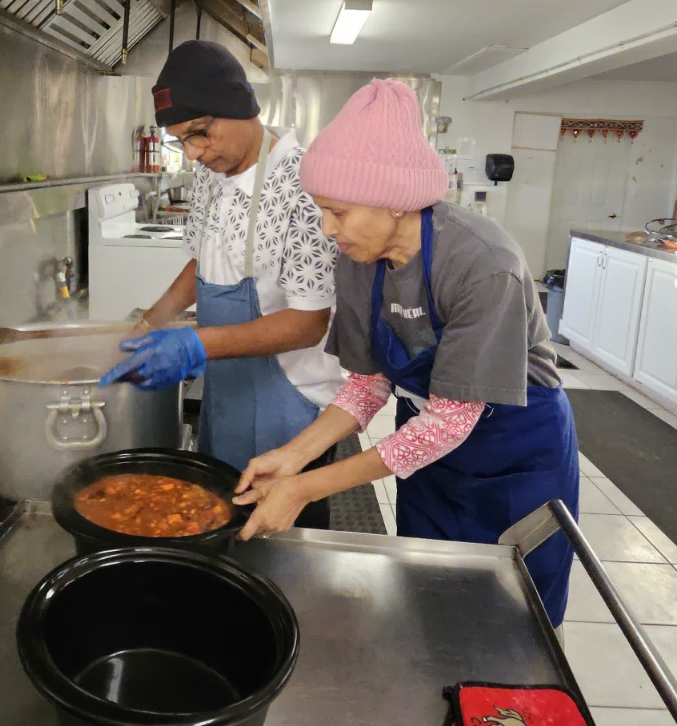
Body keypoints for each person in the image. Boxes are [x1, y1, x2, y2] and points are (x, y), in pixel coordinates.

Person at [231, 79, 579, 623]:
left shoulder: (483, 264)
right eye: (322, 210)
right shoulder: (357, 259)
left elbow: (449, 424)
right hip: (426, 448)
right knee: (428, 592)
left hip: (513, 452)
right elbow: (370, 384)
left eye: (339, 212)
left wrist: (306, 487)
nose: (328, 229)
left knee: (509, 614)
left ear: (395, 203)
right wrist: (292, 456)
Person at [100, 40, 343, 528]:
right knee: (220, 523)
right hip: (227, 388)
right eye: (181, 142)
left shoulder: (305, 184)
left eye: (200, 133)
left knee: (282, 545)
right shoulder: (211, 175)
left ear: (240, 108)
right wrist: (150, 323)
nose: (194, 153)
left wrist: (194, 344)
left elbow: (308, 322)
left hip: (292, 405)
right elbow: (203, 264)